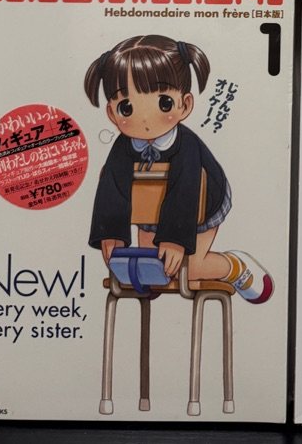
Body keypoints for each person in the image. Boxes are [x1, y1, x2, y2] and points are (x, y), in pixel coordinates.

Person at [85, 34, 271, 303]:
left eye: (164, 103)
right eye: (127, 107)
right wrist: (111, 233)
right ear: (112, 113)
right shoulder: (122, 148)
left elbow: (187, 190)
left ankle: (235, 266)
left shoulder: (187, 146)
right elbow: (111, 187)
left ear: (185, 104)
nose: (145, 119)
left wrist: (174, 240)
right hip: (150, 210)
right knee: (152, 268)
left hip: (203, 206)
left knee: (188, 267)